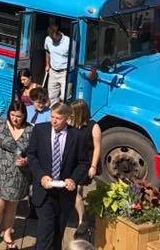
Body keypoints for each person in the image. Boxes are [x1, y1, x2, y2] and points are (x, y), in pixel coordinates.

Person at [26, 102, 91, 250]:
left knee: (58, 234)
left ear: (67, 118)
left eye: (58, 118)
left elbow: (83, 163)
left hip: (64, 194)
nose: (54, 121)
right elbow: (32, 156)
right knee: (45, 234)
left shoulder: (77, 136)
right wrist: (41, 176)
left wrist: (73, 179)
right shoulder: (40, 130)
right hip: (44, 191)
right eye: (52, 117)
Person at [0, 100, 34, 250]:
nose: (15, 118)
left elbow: (35, 153)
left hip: (18, 173)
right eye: (12, 115)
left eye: (18, 116)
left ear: (24, 115)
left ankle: (7, 233)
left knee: (12, 206)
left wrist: (27, 161)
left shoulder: (31, 130)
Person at [69, 99, 101, 236]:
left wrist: (93, 166)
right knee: (74, 190)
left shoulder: (94, 127)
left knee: (77, 190)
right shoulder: (71, 123)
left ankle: (83, 220)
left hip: (86, 162)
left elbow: (97, 148)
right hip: (73, 160)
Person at [44, 24, 71, 104]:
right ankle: (54, 114)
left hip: (65, 72)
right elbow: (47, 51)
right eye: (51, 38)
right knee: (52, 97)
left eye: (54, 38)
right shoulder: (48, 39)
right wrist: (47, 64)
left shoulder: (68, 41)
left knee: (64, 97)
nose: (53, 40)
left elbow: (73, 57)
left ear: (59, 33)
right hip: (53, 71)